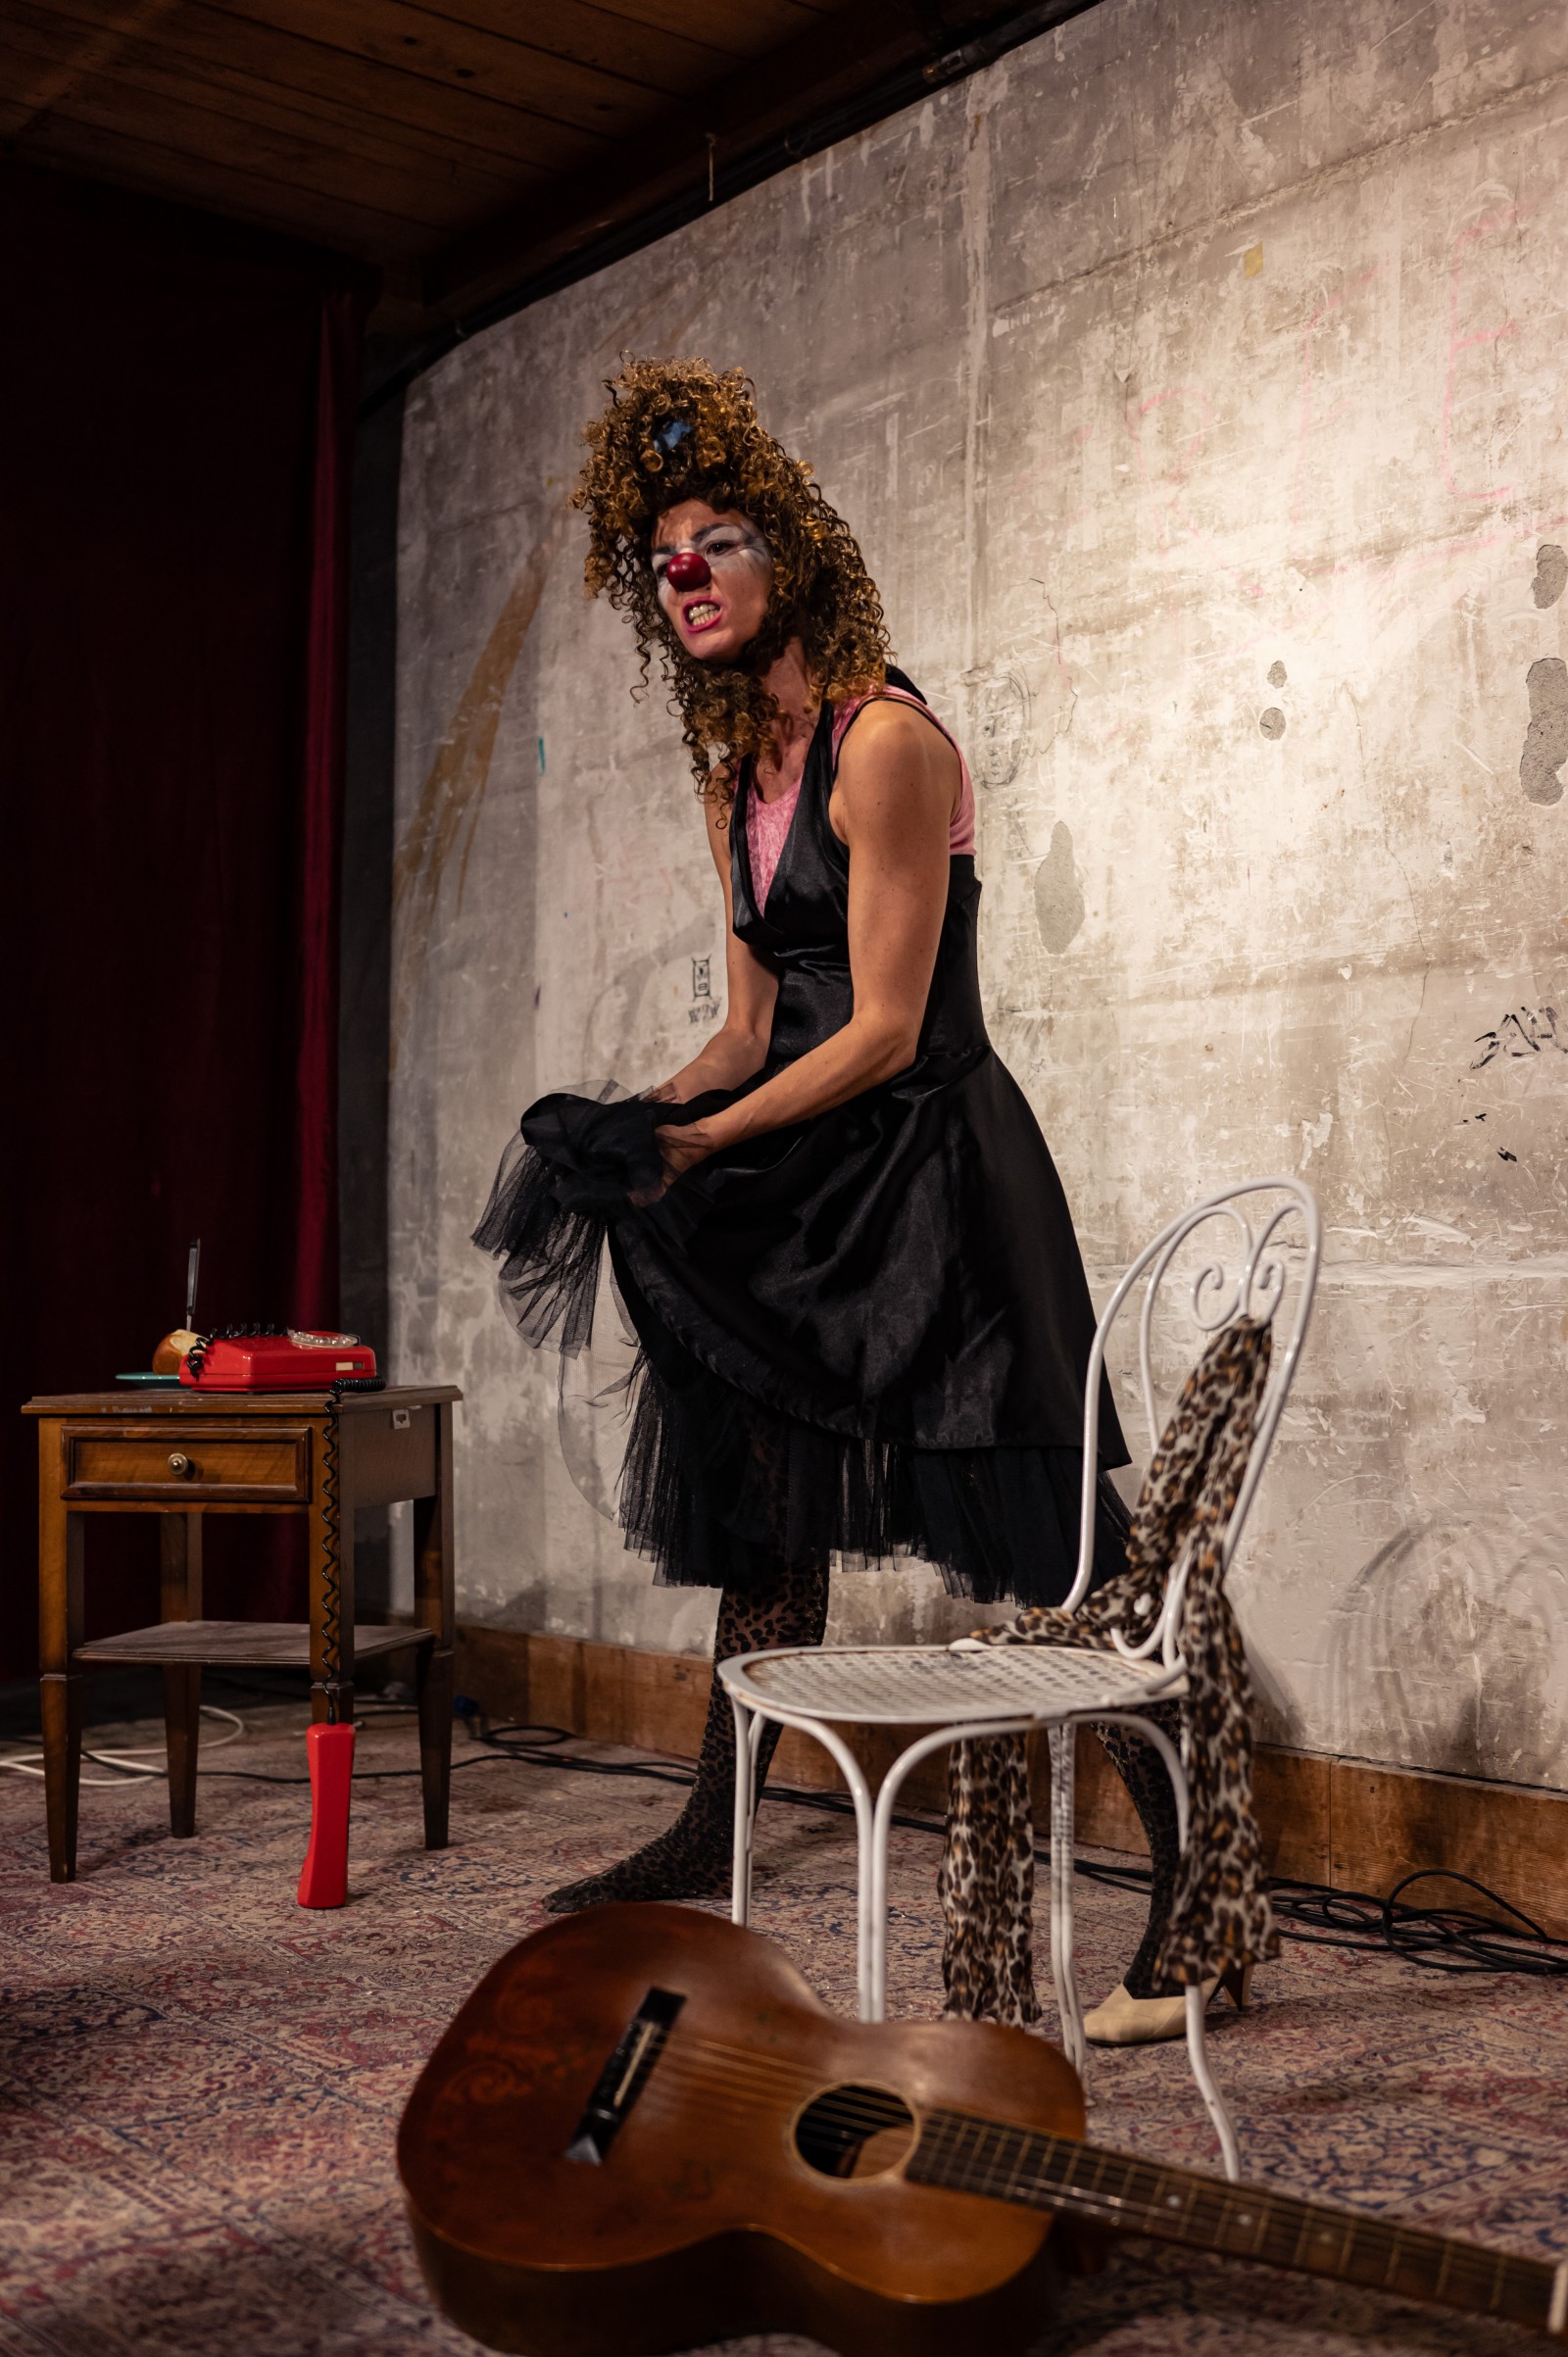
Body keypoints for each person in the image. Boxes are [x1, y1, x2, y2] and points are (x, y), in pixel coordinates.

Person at [475, 358, 1189, 2041]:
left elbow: (881, 1028)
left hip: (940, 1181)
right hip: (819, 1182)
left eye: (719, 544)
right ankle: (715, 1816)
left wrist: (707, 1145)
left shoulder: (889, 745)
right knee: (771, 1496)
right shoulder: (732, 767)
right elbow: (746, 1029)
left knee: (1065, 1549)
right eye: (666, 563)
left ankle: (1204, 1898)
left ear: (788, 552)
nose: (691, 576)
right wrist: (643, 1118)